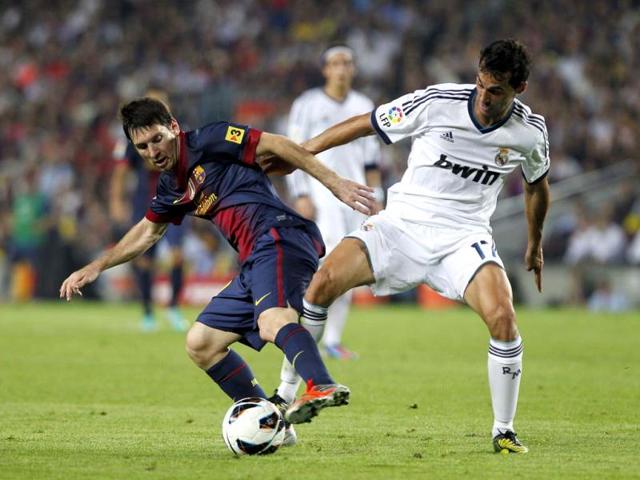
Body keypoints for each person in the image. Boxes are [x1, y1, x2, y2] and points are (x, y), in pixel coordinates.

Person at [267, 39, 550, 454]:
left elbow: (537, 188)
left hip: (464, 236)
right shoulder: (437, 102)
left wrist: (536, 242)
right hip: (402, 225)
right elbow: (366, 123)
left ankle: (503, 430)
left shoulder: (529, 131)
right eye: (482, 85)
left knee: (503, 318)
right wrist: (304, 153)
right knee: (322, 281)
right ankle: (285, 395)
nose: (484, 98)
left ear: (520, 88)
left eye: (497, 92)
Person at [60, 98, 375, 444]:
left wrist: (335, 183)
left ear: (174, 127)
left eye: (157, 139)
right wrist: (97, 265)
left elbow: (281, 145)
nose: (153, 151)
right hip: (254, 258)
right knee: (201, 343)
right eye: (143, 146)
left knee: (272, 320)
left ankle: (321, 384)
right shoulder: (171, 187)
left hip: (278, 234)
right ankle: (271, 422)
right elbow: (147, 233)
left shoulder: (210, 139)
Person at [282, 45, 383, 365]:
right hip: (321, 193)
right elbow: (293, 151)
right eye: (335, 63)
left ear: (353, 69)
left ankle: (333, 339)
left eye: (347, 63)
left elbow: (371, 160)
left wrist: (376, 199)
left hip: (355, 197)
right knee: (324, 264)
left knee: (348, 265)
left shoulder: (364, 105)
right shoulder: (307, 105)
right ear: (325, 70)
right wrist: (301, 194)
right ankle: (298, 328)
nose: (341, 68)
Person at [110, 89, 188, 331]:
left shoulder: (175, 131)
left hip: (175, 199)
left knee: (177, 254)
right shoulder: (131, 139)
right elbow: (121, 172)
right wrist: (116, 201)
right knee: (143, 258)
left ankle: (173, 307)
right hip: (144, 200)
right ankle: (147, 312)